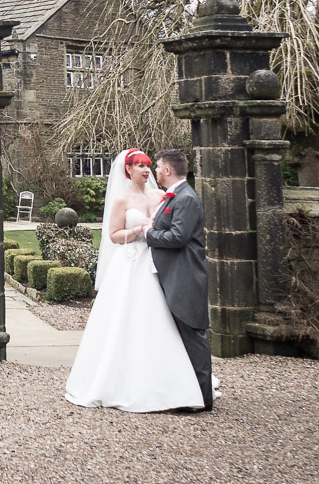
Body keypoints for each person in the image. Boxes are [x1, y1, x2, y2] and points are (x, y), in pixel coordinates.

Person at [64, 148, 206, 413]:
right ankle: (122, 379)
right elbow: (114, 235)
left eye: (148, 166)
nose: (145, 170)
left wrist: (152, 233)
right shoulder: (122, 199)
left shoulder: (163, 196)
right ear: (127, 170)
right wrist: (138, 231)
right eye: (139, 165)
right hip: (131, 262)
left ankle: (171, 378)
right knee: (126, 317)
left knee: (160, 317)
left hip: (159, 262)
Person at [139, 148, 215, 412]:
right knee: (179, 338)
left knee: (192, 335)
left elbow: (178, 237)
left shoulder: (186, 199)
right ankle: (184, 394)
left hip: (186, 276)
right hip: (174, 275)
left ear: (168, 170)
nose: (155, 171)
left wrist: (149, 233)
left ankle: (203, 400)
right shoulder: (175, 197)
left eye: (158, 167)